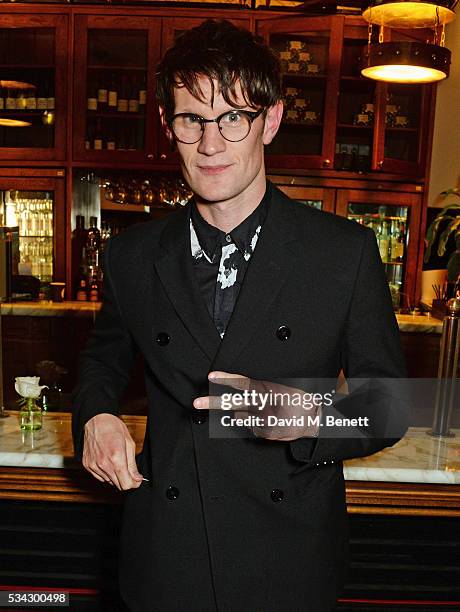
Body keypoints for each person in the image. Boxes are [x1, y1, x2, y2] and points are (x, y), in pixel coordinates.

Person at [72, 19, 408, 612]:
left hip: (290, 560)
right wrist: (96, 416)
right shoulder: (132, 255)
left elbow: (388, 406)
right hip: (166, 556)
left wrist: (312, 416)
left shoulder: (344, 252)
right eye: (191, 120)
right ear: (167, 127)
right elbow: (103, 361)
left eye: (233, 117)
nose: (210, 144)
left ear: (270, 121)